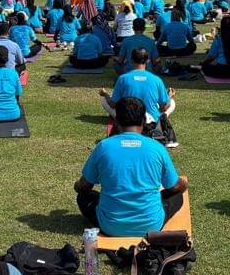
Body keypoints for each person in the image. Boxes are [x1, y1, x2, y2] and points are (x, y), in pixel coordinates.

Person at [76, 96, 187, 234]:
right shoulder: (156, 147)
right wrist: (182, 184)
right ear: (144, 121)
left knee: (83, 197)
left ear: (116, 121)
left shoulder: (104, 146)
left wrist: (78, 185)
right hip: (151, 225)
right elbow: (176, 186)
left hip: (110, 225)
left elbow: (84, 186)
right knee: (177, 196)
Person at [100, 48, 177, 145]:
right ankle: (161, 119)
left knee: (104, 99)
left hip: (128, 118)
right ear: (148, 60)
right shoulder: (156, 79)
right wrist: (169, 97)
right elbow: (164, 107)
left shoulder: (123, 78)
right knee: (171, 102)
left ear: (131, 60)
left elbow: (113, 104)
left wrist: (106, 95)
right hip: (151, 121)